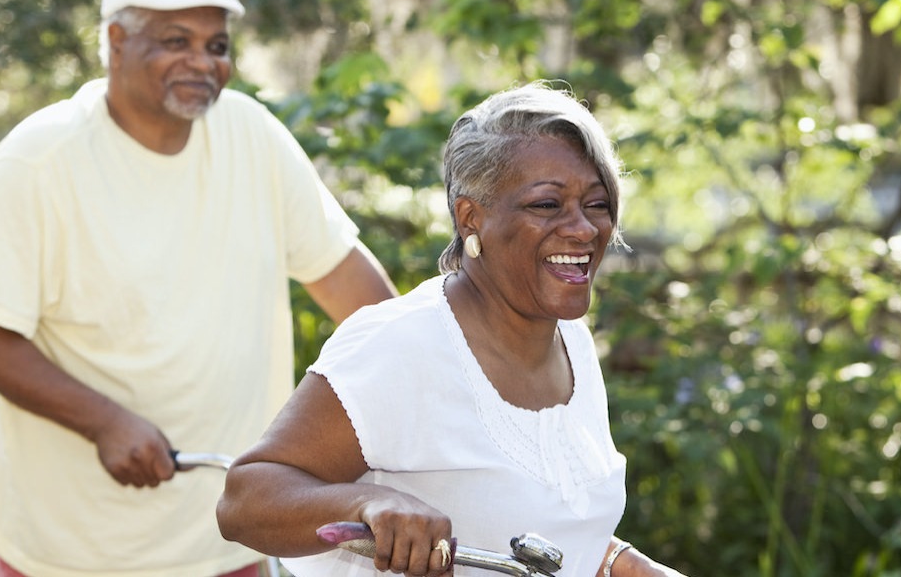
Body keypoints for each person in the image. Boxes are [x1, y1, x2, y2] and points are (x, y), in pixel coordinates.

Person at [0, 0, 398, 575]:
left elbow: (355, 294)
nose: (202, 62)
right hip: (67, 548)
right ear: (116, 41)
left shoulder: (252, 136)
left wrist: (427, 392)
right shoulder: (39, 161)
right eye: (176, 40)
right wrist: (104, 421)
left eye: (216, 45)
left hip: (228, 538)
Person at [215, 82, 685, 577]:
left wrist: (623, 564)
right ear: (470, 217)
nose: (584, 229)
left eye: (596, 204)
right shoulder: (400, 344)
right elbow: (245, 499)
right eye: (547, 205)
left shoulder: (574, 344)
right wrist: (365, 505)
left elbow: (533, 523)